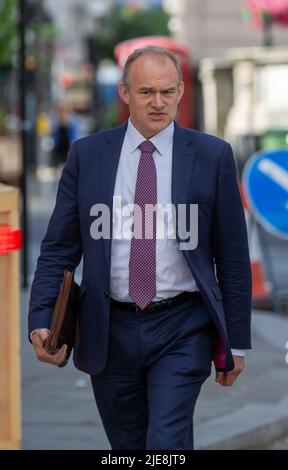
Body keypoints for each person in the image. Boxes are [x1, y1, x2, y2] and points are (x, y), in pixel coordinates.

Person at [28, 46, 252, 450]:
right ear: (125, 93)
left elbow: (232, 257)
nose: (158, 102)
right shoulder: (88, 155)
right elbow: (60, 248)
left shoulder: (211, 155)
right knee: (128, 447)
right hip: (108, 327)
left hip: (183, 327)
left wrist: (235, 341)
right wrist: (42, 317)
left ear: (182, 91)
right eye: (147, 91)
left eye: (168, 91)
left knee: (165, 442)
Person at [50, 100, 80, 169]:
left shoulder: (73, 123)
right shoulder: (55, 122)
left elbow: (75, 138)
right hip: (58, 151)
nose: (62, 113)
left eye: (63, 111)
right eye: (60, 111)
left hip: (69, 151)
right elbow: (52, 135)